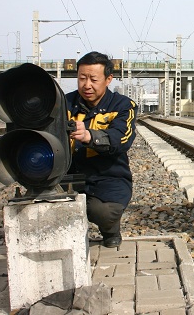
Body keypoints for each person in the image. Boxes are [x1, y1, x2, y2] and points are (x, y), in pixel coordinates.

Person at [66, 51, 137, 248]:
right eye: (82, 78)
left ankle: (110, 229)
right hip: (69, 174)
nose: (86, 85)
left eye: (93, 79)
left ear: (108, 79)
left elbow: (122, 139)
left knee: (104, 212)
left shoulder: (123, 105)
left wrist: (90, 136)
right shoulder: (64, 104)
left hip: (109, 175)